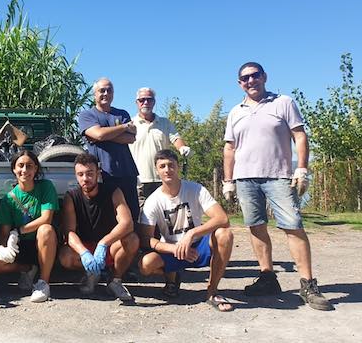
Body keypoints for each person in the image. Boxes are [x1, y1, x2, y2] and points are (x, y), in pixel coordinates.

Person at [222, 62, 333, 311]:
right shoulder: (235, 112)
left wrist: (302, 168)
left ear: (264, 77)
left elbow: (299, 135)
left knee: (293, 226)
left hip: (279, 176)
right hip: (245, 178)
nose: (250, 81)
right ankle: (267, 278)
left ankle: (308, 284)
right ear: (239, 83)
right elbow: (229, 148)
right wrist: (227, 180)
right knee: (256, 227)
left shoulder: (283, 102)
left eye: (255, 75)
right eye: (245, 78)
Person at [138, 149, 234, 312]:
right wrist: (174, 249)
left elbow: (222, 219)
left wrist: (192, 234)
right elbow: (146, 239)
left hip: (198, 245)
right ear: (157, 170)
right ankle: (172, 278)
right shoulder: (153, 201)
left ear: (178, 166)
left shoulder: (195, 189)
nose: (167, 170)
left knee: (225, 234)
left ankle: (212, 291)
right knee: (145, 265)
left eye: (171, 165)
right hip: (172, 248)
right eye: (162, 166)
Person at [58, 153, 139, 301]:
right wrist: (84, 253)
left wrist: (103, 243)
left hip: (109, 246)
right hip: (86, 246)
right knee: (65, 256)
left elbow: (127, 223)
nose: (85, 179)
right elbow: (69, 231)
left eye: (90, 173)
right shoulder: (71, 196)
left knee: (132, 239)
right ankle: (91, 274)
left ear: (98, 174)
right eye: (80, 174)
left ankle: (115, 280)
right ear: (76, 176)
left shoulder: (113, 191)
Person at [0, 150, 58, 303]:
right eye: (21, 166)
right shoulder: (9, 199)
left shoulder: (46, 187)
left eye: (29, 166)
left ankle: (43, 283)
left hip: (42, 244)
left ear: (36, 169)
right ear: (14, 169)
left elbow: (46, 218)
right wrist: (3, 250)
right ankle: (27, 270)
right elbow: (4, 233)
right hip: (20, 247)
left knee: (46, 230)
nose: (25, 170)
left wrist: (18, 231)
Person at [78, 78, 140, 222]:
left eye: (109, 90)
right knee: (107, 216)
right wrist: (123, 128)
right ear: (94, 94)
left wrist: (101, 135)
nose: (106, 93)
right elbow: (99, 134)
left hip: (126, 172)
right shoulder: (87, 115)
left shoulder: (121, 113)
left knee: (131, 214)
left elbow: (130, 138)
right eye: (102, 90)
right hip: (102, 174)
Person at [128, 87, 191, 203]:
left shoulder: (165, 123)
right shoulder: (130, 124)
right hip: (139, 180)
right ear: (136, 102)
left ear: (154, 102)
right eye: (142, 100)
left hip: (162, 178)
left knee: (164, 214)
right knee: (142, 216)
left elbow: (176, 138)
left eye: (149, 99)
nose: (145, 102)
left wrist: (182, 147)